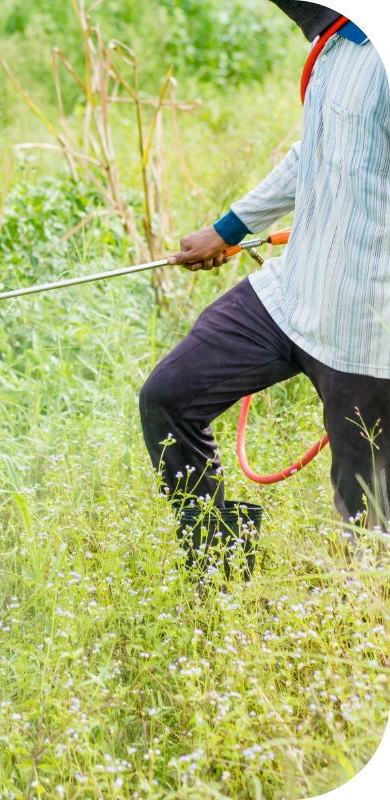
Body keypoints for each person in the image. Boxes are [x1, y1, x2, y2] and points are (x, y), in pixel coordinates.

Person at [139, 1, 389, 571]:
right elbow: (314, 152)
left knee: (367, 528)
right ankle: (223, 562)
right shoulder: (336, 44)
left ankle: (360, 635)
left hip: (366, 330)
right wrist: (227, 230)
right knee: (168, 396)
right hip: (291, 293)